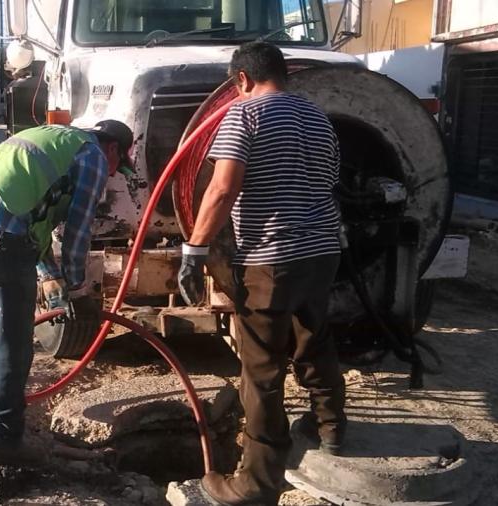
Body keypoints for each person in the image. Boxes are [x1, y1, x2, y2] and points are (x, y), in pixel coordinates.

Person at [177, 42, 346, 505]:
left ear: (242, 80)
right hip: (323, 249)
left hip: (272, 258)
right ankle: (330, 428)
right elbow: (329, 181)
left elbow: (222, 187)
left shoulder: (243, 114)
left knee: (262, 367)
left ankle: (257, 483)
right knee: (315, 336)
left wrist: (194, 248)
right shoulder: (318, 116)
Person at [0, 120, 134, 465]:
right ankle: (2, 438)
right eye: (118, 165)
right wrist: (79, 289)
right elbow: (79, 229)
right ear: (113, 148)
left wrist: (51, 277)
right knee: (13, 340)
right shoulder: (93, 155)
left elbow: (30, 217)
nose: (112, 173)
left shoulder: (52, 138)